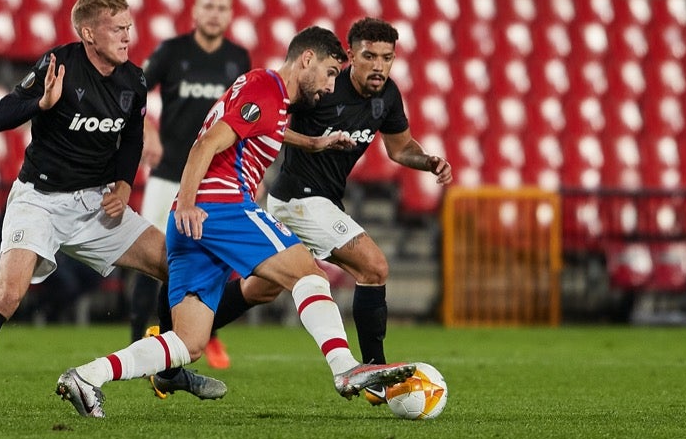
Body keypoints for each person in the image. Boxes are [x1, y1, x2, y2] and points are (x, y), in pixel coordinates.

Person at [53, 26, 417, 419]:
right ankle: (346, 369)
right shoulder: (266, 88)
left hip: (194, 222)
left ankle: (88, 376)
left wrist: (312, 143)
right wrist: (190, 203)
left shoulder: (270, 97)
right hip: (219, 205)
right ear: (307, 59)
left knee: (188, 343)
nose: (331, 86)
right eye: (330, 72)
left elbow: (261, 129)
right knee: (309, 275)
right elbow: (205, 144)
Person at [0, 0, 226, 417]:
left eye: (129, 27)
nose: (127, 36)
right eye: (117, 28)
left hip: (97, 204)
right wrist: (40, 103)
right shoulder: (58, 64)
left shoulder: (133, 81)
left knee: (176, 263)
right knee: (7, 293)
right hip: (40, 200)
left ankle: (168, 369)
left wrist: (122, 183)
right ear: (88, 33)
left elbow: (132, 139)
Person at [153, 16, 450, 397]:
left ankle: (180, 340)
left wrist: (427, 161)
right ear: (349, 57)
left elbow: (399, 148)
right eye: (369, 56)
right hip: (300, 197)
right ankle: (374, 372)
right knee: (374, 266)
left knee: (259, 290)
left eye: (387, 58)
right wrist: (309, 144)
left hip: (322, 199)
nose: (378, 66)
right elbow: (270, 116)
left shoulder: (387, 95)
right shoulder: (323, 87)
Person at [132, 0, 251, 371]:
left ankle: (204, 334)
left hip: (216, 182)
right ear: (195, 12)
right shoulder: (173, 52)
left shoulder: (238, 59)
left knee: (214, 260)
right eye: (209, 6)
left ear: (230, 15)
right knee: (154, 256)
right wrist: (148, 130)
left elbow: (247, 120)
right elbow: (135, 92)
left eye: (222, 7)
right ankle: (139, 337)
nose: (215, 13)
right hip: (169, 174)